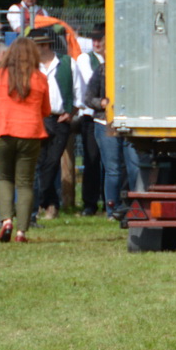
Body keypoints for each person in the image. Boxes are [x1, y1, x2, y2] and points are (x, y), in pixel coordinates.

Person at [0, 35, 55, 242]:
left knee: (4, 178)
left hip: (2, 131)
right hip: (30, 134)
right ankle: (22, 230)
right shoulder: (39, 77)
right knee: (25, 182)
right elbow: (46, 110)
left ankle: (6, 220)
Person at [29, 29, 75, 219]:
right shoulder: (31, 66)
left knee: (52, 162)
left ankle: (41, 201)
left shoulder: (66, 63)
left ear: (45, 45)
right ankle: (51, 205)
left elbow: (77, 88)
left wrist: (71, 111)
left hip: (60, 118)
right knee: (40, 162)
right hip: (38, 118)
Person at [72, 27, 107, 215]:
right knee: (92, 160)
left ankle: (109, 200)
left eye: (100, 39)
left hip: (106, 115)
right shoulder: (86, 59)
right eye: (93, 39)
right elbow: (91, 79)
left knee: (110, 163)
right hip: (90, 115)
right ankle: (90, 203)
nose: (96, 43)